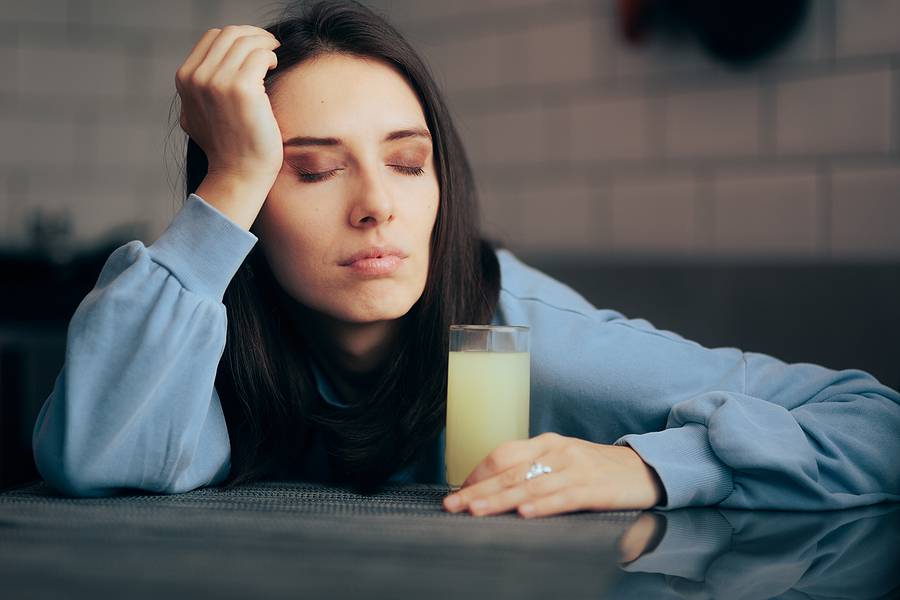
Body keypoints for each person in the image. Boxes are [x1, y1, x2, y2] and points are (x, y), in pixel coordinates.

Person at [32, 0, 900, 518]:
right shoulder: (200, 334)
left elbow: (873, 421)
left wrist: (648, 467)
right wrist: (229, 181)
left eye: (409, 162)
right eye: (312, 169)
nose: (378, 203)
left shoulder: (522, 339)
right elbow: (94, 460)